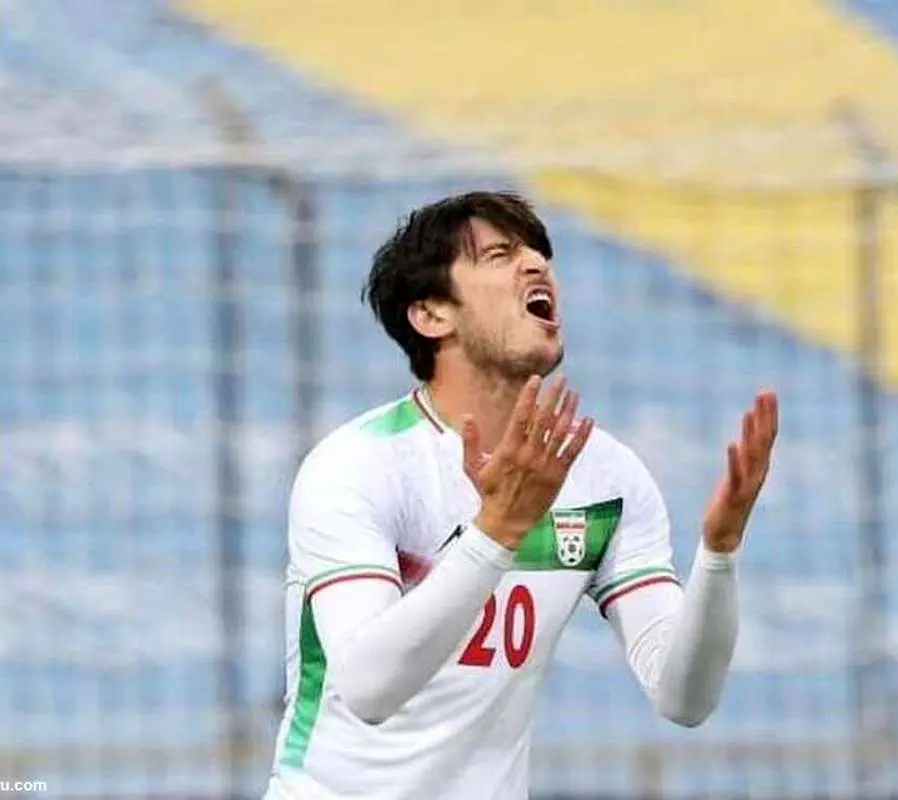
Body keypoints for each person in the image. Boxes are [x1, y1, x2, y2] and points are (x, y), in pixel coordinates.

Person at [263, 191, 779, 799]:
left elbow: (684, 697)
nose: (536, 264)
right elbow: (369, 691)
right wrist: (497, 531)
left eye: (538, 253)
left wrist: (719, 553)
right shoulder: (358, 466)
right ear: (431, 315)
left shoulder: (605, 477)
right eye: (499, 255)